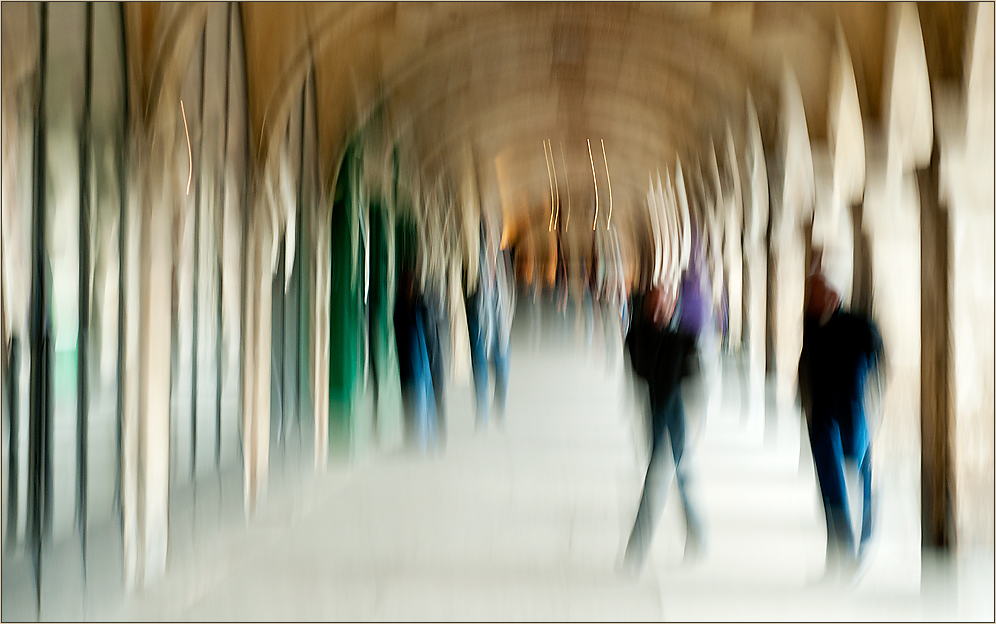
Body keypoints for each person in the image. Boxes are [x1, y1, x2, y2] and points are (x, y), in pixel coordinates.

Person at [798, 273, 885, 581]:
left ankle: (849, 557)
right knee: (835, 495)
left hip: (845, 426)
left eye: (816, 294)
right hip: (825, 424)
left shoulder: (855, 330)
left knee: (848, 492)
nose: (810, 300)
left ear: (833, 297)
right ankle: (839, 559)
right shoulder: (816, 325)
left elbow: (864, 381)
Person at [623, 281, 705, 573]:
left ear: (672, 307)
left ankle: (636, 554)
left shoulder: (683, 338)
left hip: (677, 415)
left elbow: (695, 380)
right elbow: (640, 370)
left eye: (664, 304)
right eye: (654, 304)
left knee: (667, 480)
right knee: (672, 478)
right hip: (658, 413)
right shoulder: (636, 336)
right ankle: (698, 539)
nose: (659, 310)